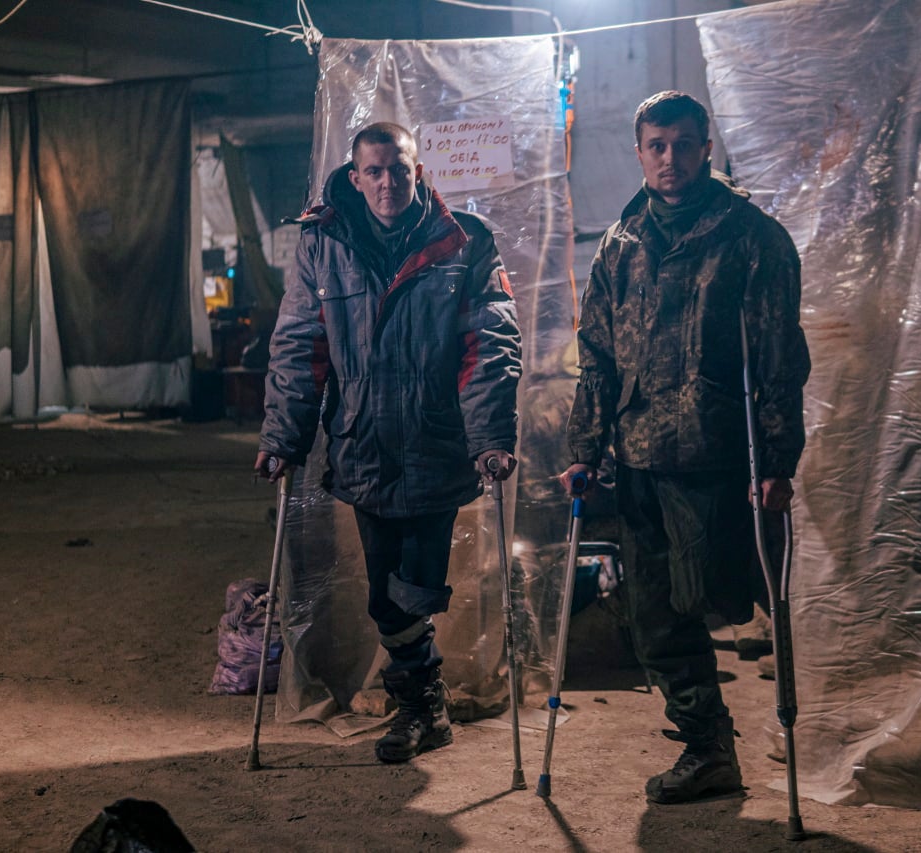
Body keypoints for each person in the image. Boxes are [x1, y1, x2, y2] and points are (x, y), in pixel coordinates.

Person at [560, 91, 809, 804]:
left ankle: (760, 731)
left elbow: (778, 360)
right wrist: (586, 447)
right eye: (656, 146)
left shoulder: (753, 238)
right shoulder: (621, 242)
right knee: (654, 613)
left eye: (683, 144)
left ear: (706, 146)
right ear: (640, 152)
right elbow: (598, 356)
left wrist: (779, 458)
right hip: (636, 455)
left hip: (716, 453)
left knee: (718, 595)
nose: (670, 158)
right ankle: (708, 747)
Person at [256, 121, 522, 764]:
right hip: (365, 445)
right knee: (385, 596)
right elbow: (301, 343)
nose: (386, 182)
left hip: (434, 444)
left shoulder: (464, 241)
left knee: (415, 590)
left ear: (419, 172)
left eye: (398, 169)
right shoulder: (323, 244)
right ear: (354, 177)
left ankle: (418, 707)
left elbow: (488, 346)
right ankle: (423, 709)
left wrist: (488, 436)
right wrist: (283, 436)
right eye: (373, 171)